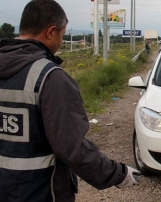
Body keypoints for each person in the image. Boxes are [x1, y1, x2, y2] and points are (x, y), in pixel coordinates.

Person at [0, 0, 140, 202]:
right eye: (62, 35)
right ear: (51, 32)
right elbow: (73, 149)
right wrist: (118, 173)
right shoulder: (50, 78)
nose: (60, 41)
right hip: (40, 191)